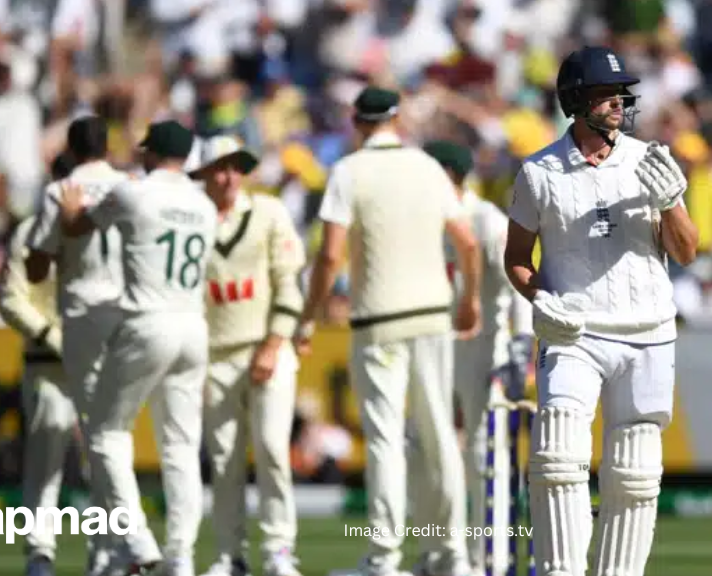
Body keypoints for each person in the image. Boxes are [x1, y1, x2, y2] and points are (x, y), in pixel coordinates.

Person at [503, 46, 698, 576]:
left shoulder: (648, 162)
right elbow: (517, 260)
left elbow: (685, 251)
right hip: (575, 335)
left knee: (635, 474)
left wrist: (670, 203)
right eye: (606, 93)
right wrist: (542, 300)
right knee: (558, 460)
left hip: (648, 334)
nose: (619, 102)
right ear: (576, 100)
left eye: (621, 93)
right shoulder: (539, 172)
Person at [295, 87, 481, 576]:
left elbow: (330, 255)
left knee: (384, 442)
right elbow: (466, 243)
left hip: (378, 320)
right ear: (396, 120)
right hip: (431, 316)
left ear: (357, 123)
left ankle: (383, 560)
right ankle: (454, 556)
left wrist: (309, 314)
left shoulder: (348, 171)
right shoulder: (426, 167)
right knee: (441, 434)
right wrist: (469, 301)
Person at [57, 120, 218, 576]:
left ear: (149, 153)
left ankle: (138, 542)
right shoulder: (203, 205)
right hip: (193, 327)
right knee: (181, 447)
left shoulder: (135, 193)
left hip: (149, 321)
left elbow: (77, 228)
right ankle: (181, 556)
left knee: (106, 433)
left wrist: (71, 207)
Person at [188, 136, 306, 576]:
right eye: (219, 167)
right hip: (214, 357)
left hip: (268, 351)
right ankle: (228, 554)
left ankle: (278, 550)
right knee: (223, 460)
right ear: (202, 174)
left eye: (236, 166)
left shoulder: (269, 213)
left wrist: (274, 344)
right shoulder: (192, 223)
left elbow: (288, 283)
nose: (229, 176)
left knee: (274, 449)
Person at [418, 140, 534, 576]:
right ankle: (437, 551)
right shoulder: (423, 219)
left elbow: (517, 285)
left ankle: (484, 558)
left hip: (483, 347)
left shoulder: (487, 220)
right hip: (435, 344)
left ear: (448, 173)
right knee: (425, 451)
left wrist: (521, 344)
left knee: (482, 456)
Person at [24, 117, 130, 576]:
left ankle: (110, 551)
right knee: (112, 436)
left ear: (70, 147)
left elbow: (34, 269)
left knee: (98, 438)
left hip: (84, 318)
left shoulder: (60, 191)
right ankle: (108, 548)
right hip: (128, 319)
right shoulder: (133, 187)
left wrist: (61, 235)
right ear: (108, 145)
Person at [0, 156, 75, 576]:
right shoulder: (29, 233)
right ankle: (39, 553)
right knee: (46, 456)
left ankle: (112, 550)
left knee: (109, 458)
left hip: (98, 362)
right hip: (47, 364)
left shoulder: (106, 230)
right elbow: (11, 300)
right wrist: (53, 338)